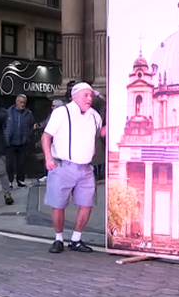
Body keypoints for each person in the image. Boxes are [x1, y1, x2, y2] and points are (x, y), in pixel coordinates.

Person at [42, 82, 106, 254]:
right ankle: (58, 239)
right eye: (86, 95)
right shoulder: (61, 113)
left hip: (85, 168)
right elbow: (46, 136)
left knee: (87, 204)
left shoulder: (94, 116)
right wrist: (48, 158)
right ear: (75, 96)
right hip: (63, 165)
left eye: (91, 95)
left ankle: (76, 239)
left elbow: (99, 133)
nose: (89, 98)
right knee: (58, 204)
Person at [4, 94, 34, 188]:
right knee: (9, 163)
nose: (22, 104)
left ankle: (20, 180)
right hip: (11, 142)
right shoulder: (8, 112)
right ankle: (9, 180)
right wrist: (6, 136)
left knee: (21, 163)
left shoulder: (28, 113)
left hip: (22, 142)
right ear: (16, 102)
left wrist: (28, 136)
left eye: (24, 103)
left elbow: (31, 125)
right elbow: (4, 125)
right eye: (21, 102)